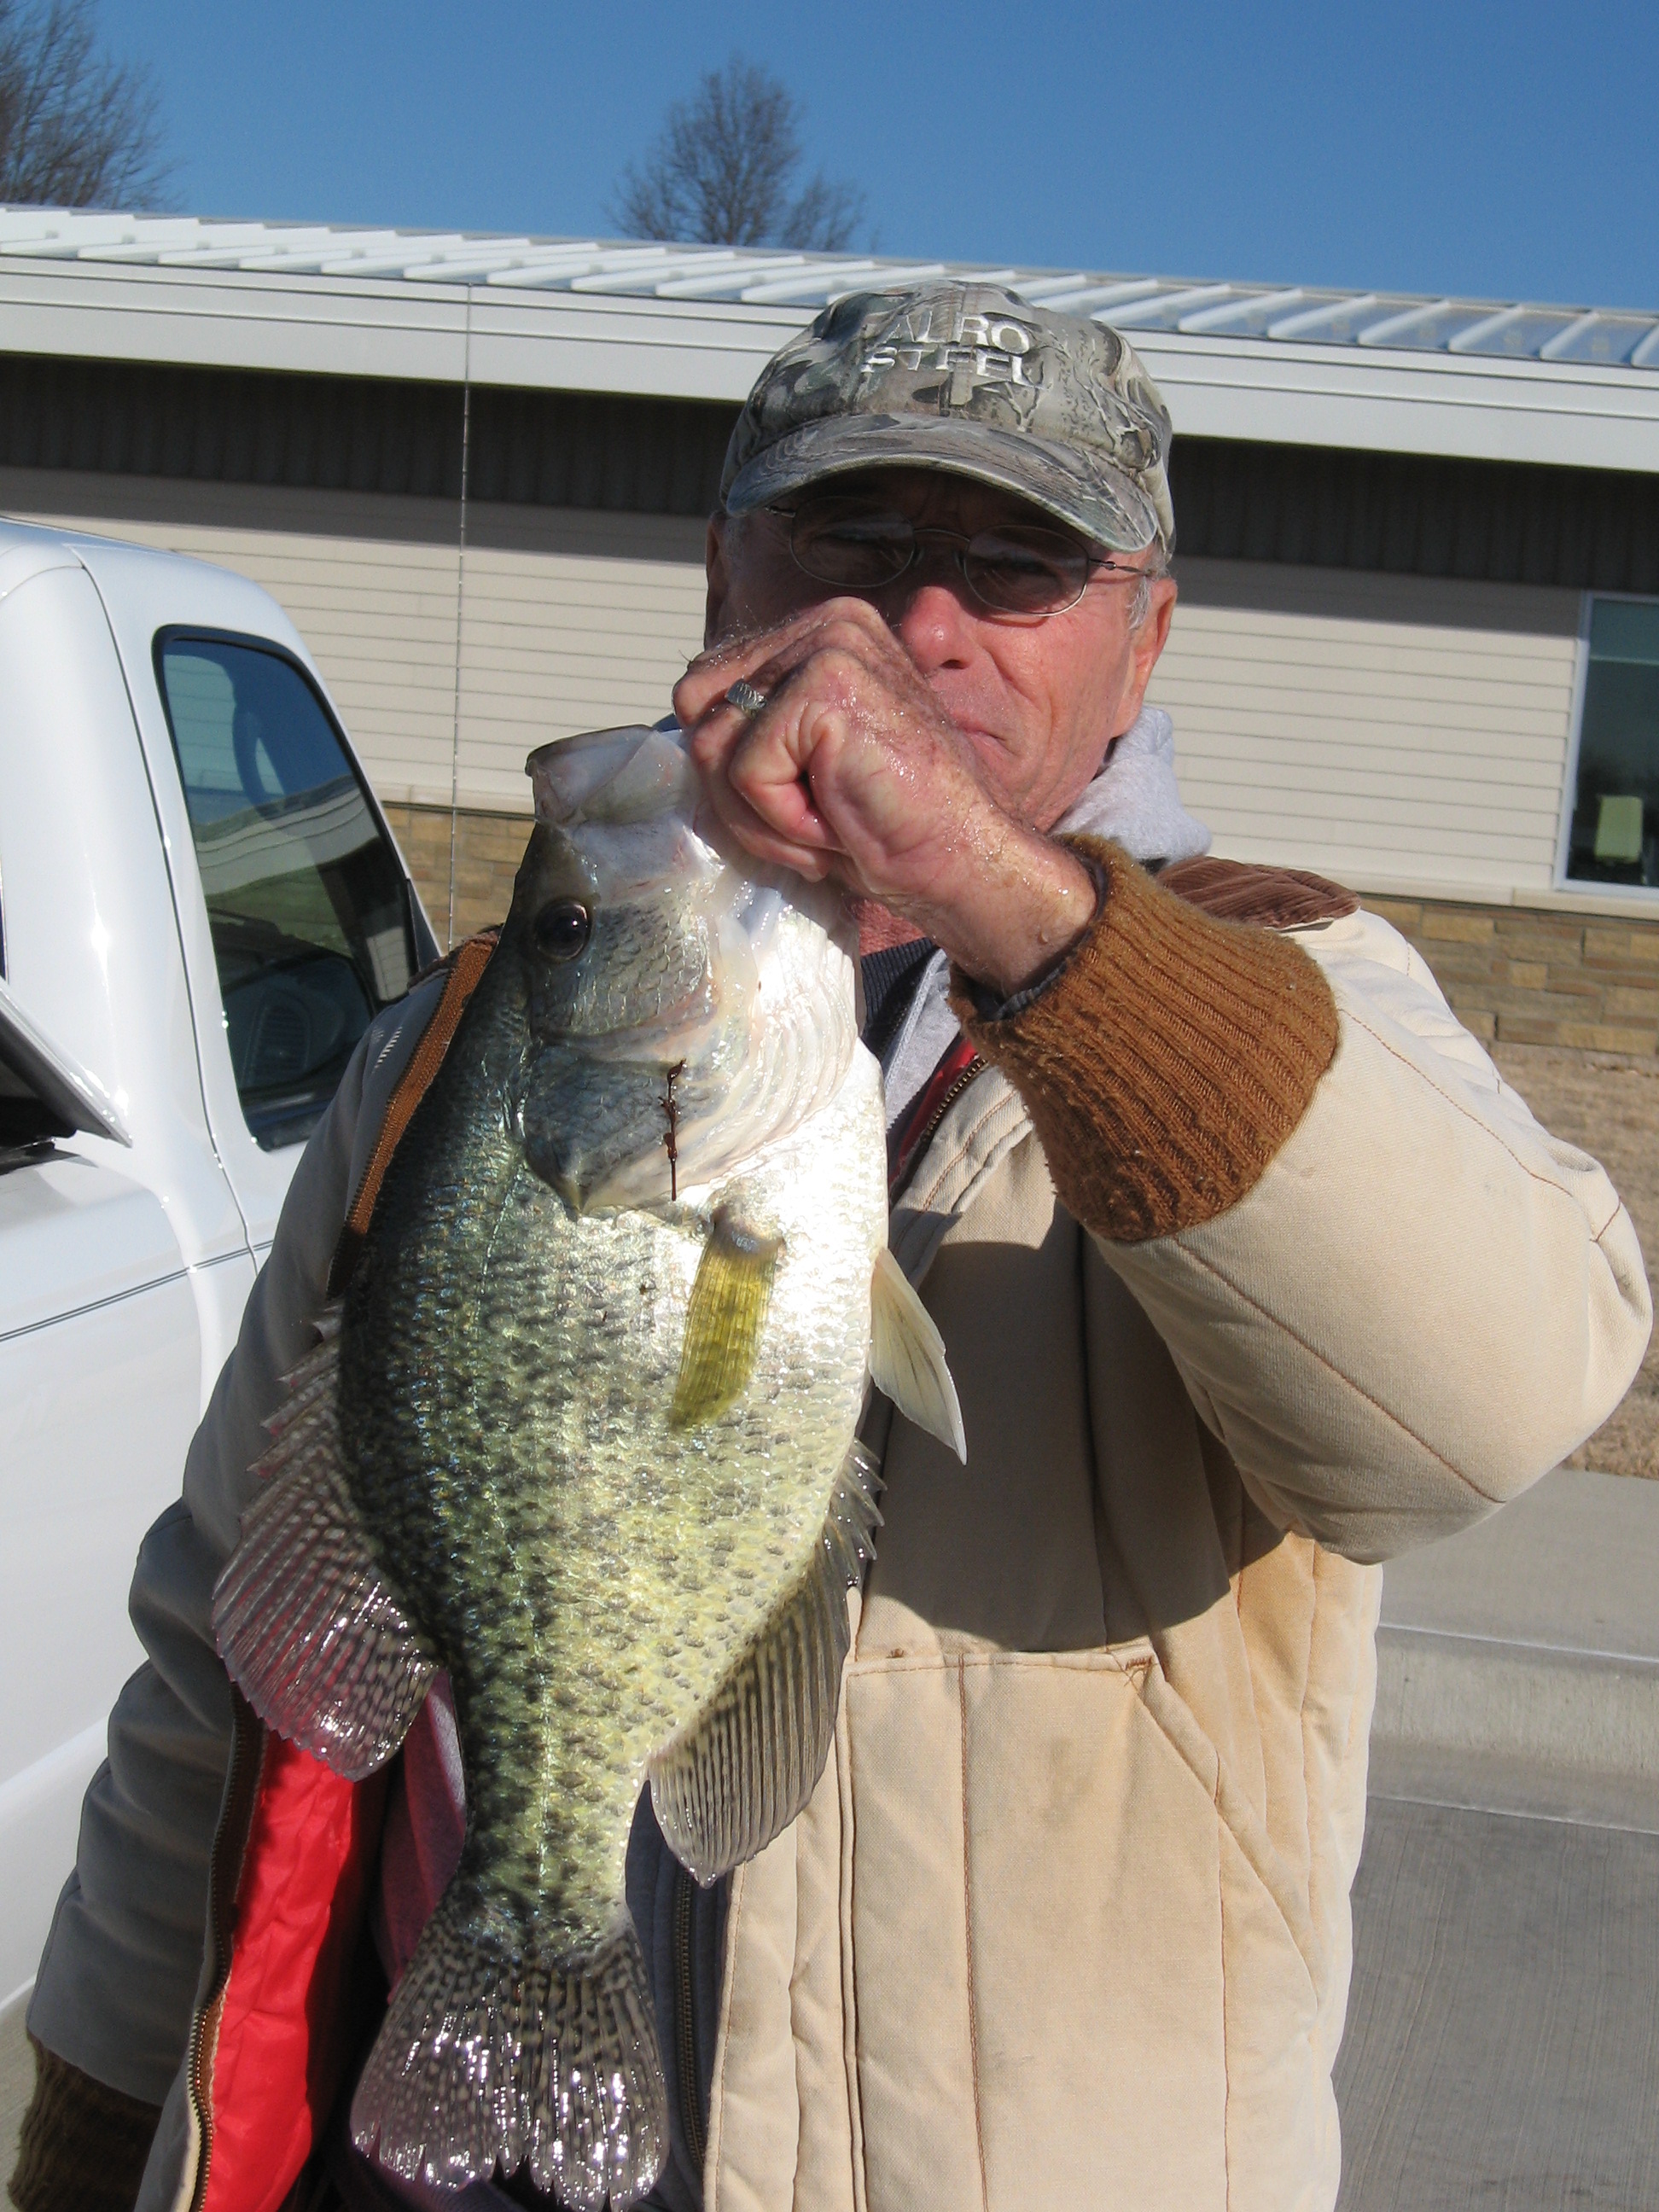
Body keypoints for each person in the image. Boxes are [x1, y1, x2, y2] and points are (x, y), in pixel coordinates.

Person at [11, 284, 1650, 2212]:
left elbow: (1480, 1407)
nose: (919, 623)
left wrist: (984, 882)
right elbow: (228, 1657)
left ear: (1145, 637)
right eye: (848, 544)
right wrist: (106, 2114)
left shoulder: (1289, 1011)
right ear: (725, 570)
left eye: (1013, 566)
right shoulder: (458, 1057)